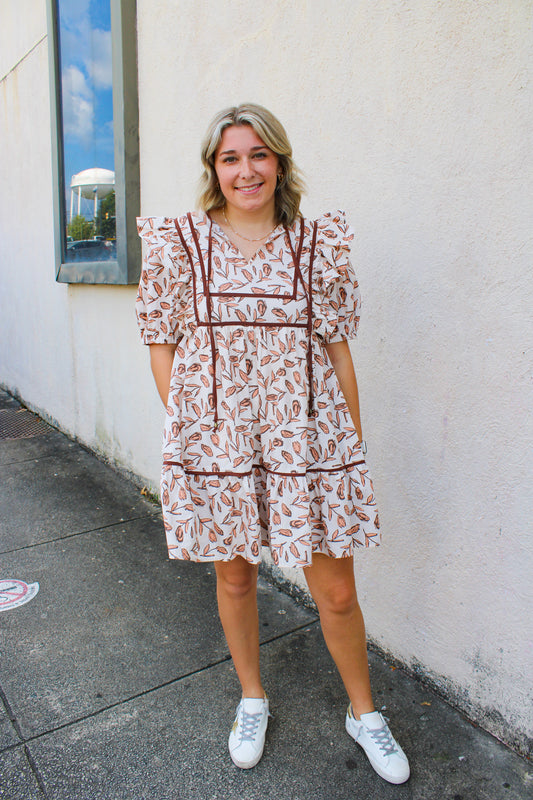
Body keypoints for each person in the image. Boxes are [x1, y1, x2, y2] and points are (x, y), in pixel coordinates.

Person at [136, 103, 409, 785]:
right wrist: (196, 431)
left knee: (337, 593)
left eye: (257, 154)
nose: (245, 169)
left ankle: (363, 712)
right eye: (230, 158)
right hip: (219, 447)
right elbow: (161, 345)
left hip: (308, 444)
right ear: (214, 170)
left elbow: (337, 350)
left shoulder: (316, 245)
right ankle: (251, 696)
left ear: (278, 161)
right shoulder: (183, 245)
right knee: (234, 574)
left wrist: (347, 442)